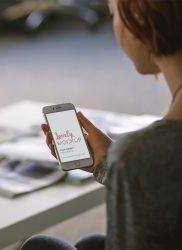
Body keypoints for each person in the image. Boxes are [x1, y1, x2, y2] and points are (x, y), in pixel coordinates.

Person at [21, 0, 182, 249]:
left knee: (40, 246)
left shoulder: (142, 154)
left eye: (112, 15)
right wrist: (108, 163)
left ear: (139, 21)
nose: (114, 25)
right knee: (91, 244)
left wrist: (125, 161)